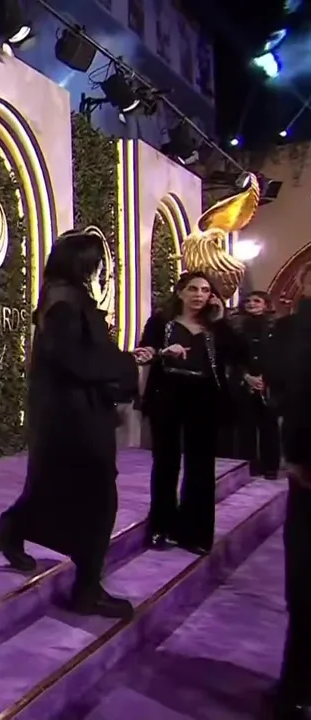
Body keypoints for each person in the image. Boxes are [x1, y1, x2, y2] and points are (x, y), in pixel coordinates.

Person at [0, 228, 142, 618]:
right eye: (96, 263)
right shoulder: (64, 303)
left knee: (57, 489)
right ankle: (86, 589)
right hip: (74, 419)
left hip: (68, 416)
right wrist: (126, 363)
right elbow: (76, 360)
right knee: (97, 501)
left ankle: (11, 530)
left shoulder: (60, 297)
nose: (99, 270)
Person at [134, 272, 247, 555]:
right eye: (193, 289)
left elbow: (240, 355)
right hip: (167, 394)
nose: (199, 295)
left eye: (205, 290)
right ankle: (161, 527)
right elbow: (146, 352)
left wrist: (222, 321)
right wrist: (163, 351)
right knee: (166, 462)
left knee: (201, 465)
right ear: (180, 292)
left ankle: (195, 533)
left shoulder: (216, 326)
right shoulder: (160, 322)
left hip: (205, 397)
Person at [268, 278, 311, 720]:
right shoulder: (296, 328)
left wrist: (297, 455)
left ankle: (297, 691)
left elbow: (291, 388)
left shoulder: (298, 329)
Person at [231, 291, 280, 479]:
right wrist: (246, 376)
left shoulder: (277, 327)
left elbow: (281, 355)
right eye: (248, 301)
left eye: (257, 301)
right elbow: (231, 356)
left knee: (269, 427)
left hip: (269, 384)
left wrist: (265, 378)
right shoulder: (236, 328)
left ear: (266, 304)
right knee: (246, 428)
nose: (251, 304)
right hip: (243, 382)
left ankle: (271, 467)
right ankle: (249, 466)